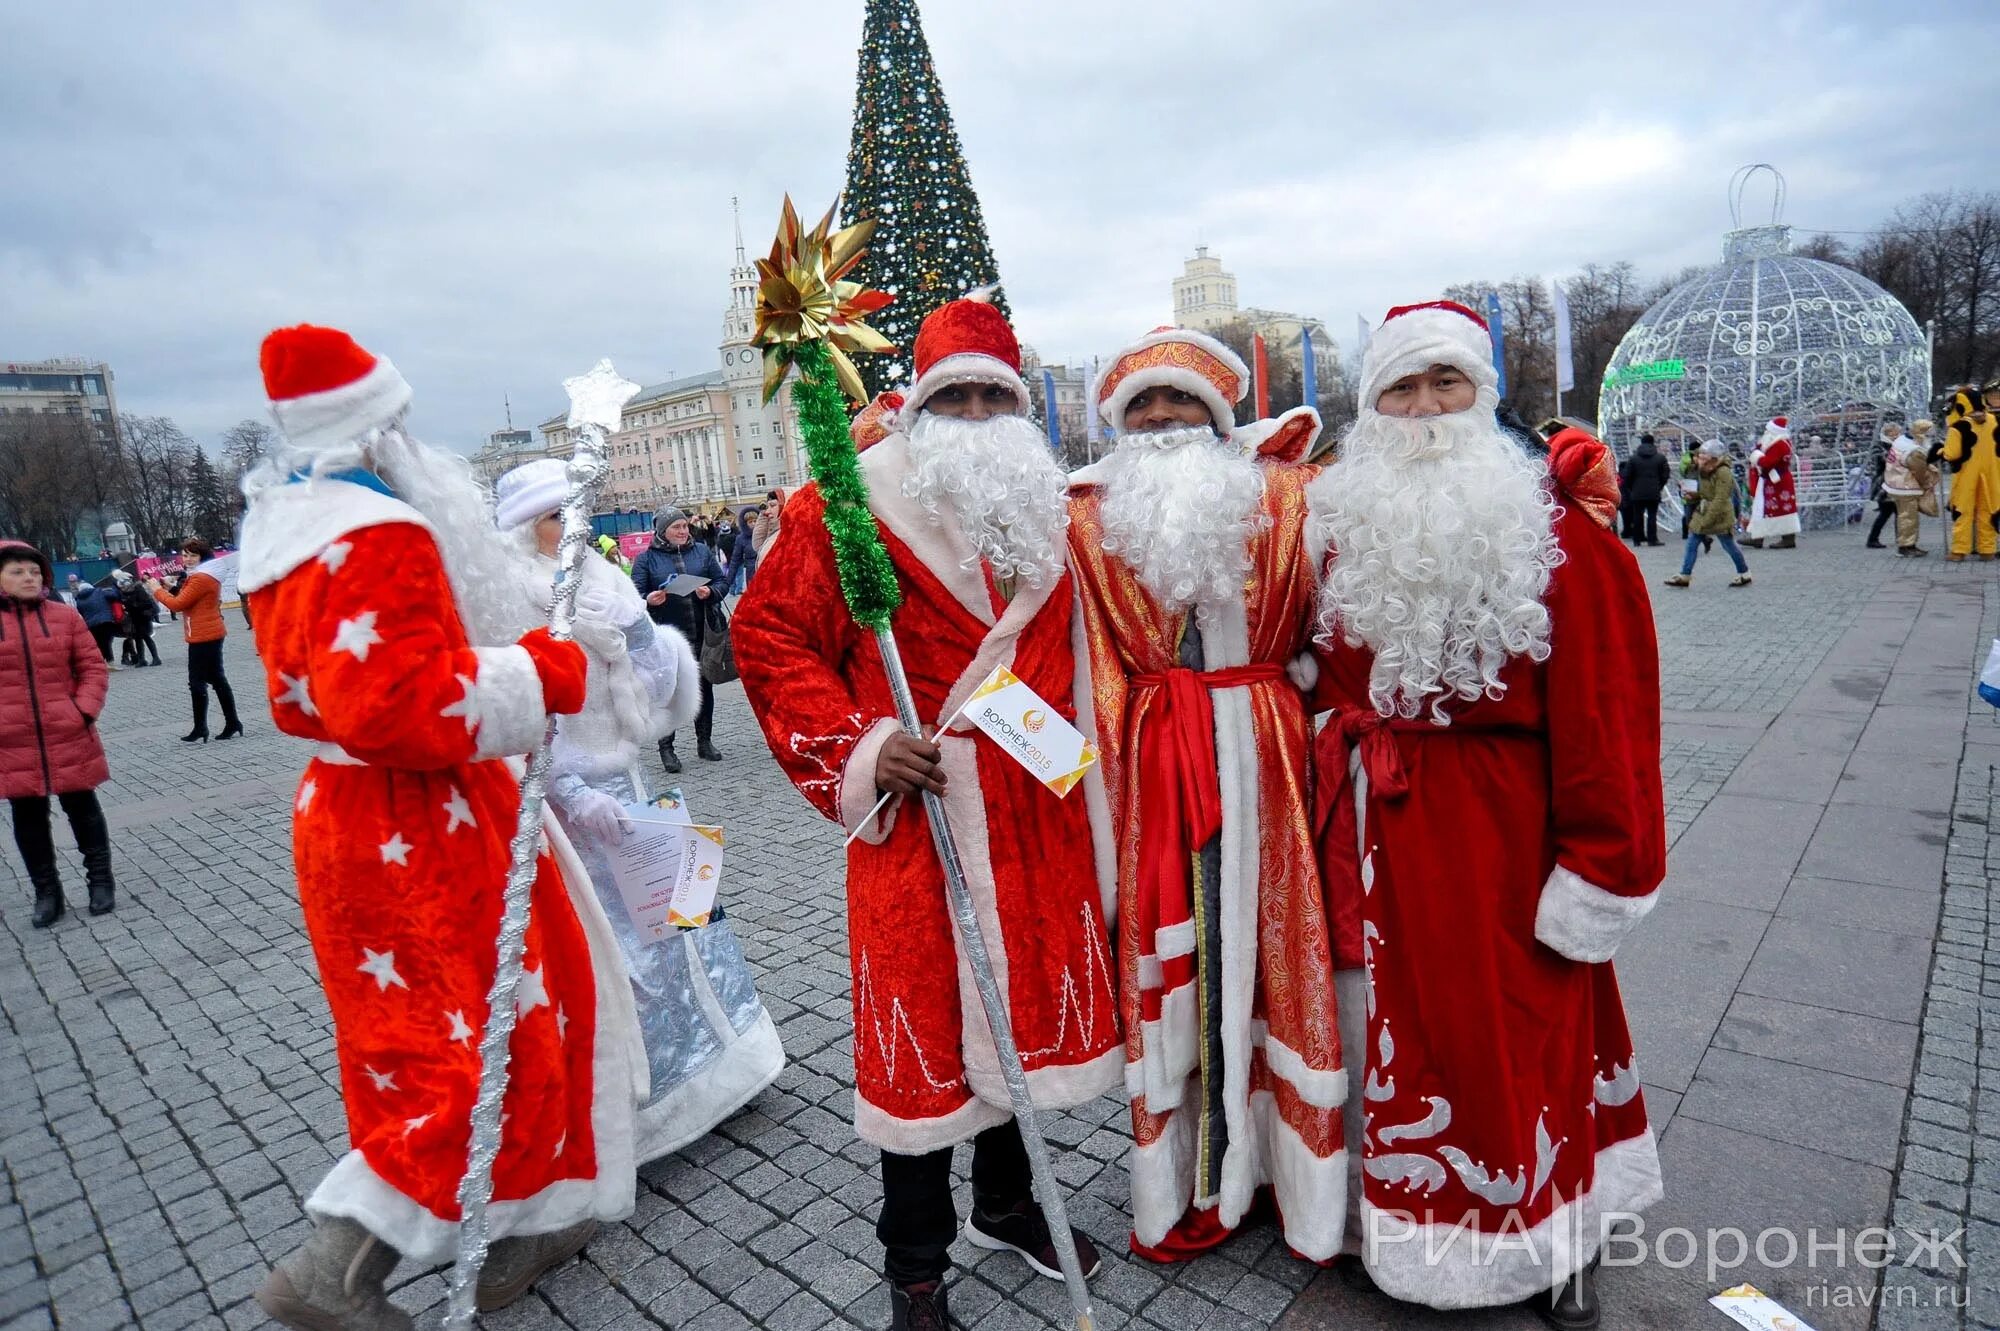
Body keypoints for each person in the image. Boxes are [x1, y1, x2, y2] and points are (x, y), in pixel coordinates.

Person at [239, 324, 644, 1330]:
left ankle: (524, 1219)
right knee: (462, 1050)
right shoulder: (376, 533)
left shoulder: (287, 529)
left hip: (365, 814)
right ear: (373, 430)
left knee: (467, 1033)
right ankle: (335, 1267)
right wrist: (539, 673)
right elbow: (396, 705)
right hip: (421, 818)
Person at [734, 295, 1117, 1331]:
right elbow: (771, 638)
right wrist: (860, 743)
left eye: (999, 394)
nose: (980, 411)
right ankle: (914, 1260)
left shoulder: (1049, 517)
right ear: (921, 405)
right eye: (959, 394)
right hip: (916, 811)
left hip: (1030, 809)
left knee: (1013, 1017)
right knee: (923, 1041)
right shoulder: (845, 509)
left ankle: (1003, 1202)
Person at [1305, 300, 1665, 1326]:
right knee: (1400, 1035)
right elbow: (1328, 677)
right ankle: (1414, 1235)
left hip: (1509, 838)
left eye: (1443, 384)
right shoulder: (1343, 533)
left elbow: (1610, 714)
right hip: (1384, 828)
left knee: (1526, 1033)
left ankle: (1557, 1242)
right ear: (1370, 408)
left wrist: (1600, 865)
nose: (1422, 409)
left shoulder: (1562, 541)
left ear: (1479, 395)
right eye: (1399, 389)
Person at [1066, 327, 1346, 1262]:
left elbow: (1340, 621)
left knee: (1275, 950)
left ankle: (1280, 1174)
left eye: (1179, 400)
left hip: (1267, 751)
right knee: (1174, 958)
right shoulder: (1084, 517)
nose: (1159, 418)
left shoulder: (1285, 496)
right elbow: (1080, 661)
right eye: (1140, 404)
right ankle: (1188, 1178)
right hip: (1153, 760)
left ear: (1217, 415)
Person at [493, 459, 784, 1162]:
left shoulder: (602, 577)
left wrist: (644, 648)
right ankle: (647, 1109)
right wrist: (570, 791)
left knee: (689, 929)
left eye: (576, 513)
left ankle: (732, 1071)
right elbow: (519, 714)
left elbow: (653, 686)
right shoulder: (506, 596)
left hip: (631, 782)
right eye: (554, 516)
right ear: (524, 527)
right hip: (570, 807)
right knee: (620, 957)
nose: (572, 528)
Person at [0, 541, 115, 925]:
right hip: (12, 740)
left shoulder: (64, 617)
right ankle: (47, 893)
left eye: (33, 571)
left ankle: (100, 882)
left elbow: (93, 668)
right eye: (17, 571)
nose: (28, 577)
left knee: (83, 811)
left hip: (67, 731)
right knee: (28, 817)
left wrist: (82, 711)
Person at [630, 507, 727, 771]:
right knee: (669, 693)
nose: (683, 531)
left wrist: (712, 591)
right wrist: (649, 600)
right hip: (667, 638)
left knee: (705, 689)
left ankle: (704, 742)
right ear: (663, 531)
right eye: (677, 528)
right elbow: (634, 597)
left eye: (685, 526)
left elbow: (722, 581)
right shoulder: (646, 560)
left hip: (701, 633)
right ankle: (667, 749)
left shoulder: (701, 552)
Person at [148, 538, 243, 741]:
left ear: (202, 557)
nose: (188, 559)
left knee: (197, 682)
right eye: (185, 555)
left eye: (193, 555)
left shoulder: (200, 578)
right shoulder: (202, 575)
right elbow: (189, 600)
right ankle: (231, 722)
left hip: (203, 634)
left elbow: (177, 605)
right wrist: (169, 588)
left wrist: (156, 589)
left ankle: (202, 728)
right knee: (217, 679)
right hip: (207, 631)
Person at [1665, 440, 1753, 588]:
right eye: (1701, 456)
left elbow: (1720, 497)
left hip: (1719, 514)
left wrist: (1707, 519)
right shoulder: (1704, 469)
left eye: (1704, 457)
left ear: (1714, 458)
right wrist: (1694, 495)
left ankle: (1744, 572)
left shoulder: (1723, 472)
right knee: (1692, 542)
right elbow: (1706, 492)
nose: (1700, 460)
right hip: (1705, 510)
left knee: (1728, 544)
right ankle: (1685, 574)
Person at [1943, 381, 2000, 561]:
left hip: (1967, 474)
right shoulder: (1993, 420)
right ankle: (1987, 550)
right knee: (1988, 511)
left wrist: (1939, 451)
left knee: (1963, 511)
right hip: (1992, 473)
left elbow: (1952, 454)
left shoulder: (1959, 426)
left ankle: (1959, 551)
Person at [1744, 416, 1801, 549]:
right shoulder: (1775, 442)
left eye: (1768, 430)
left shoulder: (1779, 444)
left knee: (1782, 508)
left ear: (1773, 431)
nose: (1765, 432)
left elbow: (1767, 462)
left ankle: (1787, 539)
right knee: (1763, 508)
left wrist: (1756, 456)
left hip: (1778, 482)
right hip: (1772, 481)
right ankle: (1757, 537)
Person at [1881, 426, 1935, 557]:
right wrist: (1928, 481)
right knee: (1908, 518)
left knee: (1905, 516)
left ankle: (1907, 545)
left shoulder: (1900, 443)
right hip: (1907, 487)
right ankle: (1907, 546)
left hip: (1898, 485)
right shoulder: (1912, 450)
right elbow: (1919, 470)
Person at [1618, 433, 1670, 546]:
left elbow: (1626, 475)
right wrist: (1659, 485)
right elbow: (1665, 474)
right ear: (1653, 443)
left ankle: (1637, 539)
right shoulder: (1660, 458)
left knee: (1637, 515)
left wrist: (1632, 488)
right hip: (1653, 491)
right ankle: (1652, 539)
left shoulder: (1633, 459)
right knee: (1652, 515)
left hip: (1637, 492)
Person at [1866, 422, 1906, 548]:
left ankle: (1900, 539)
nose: (1895, 436)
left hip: (1894, 483)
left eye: (1897, 433)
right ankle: (1873, 539)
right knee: (1886, 512)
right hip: (1884, 485)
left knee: (1896, 512)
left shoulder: (1896, 446)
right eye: (1892, 433)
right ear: (1886, 434)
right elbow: (1887, 461)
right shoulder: (1880, 446)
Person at [115, 571, 162, 666]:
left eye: (123, 586)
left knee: (146, 637)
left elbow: (146, 603)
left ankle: (156, 658)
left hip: (144, 616)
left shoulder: (138, 589)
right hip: (134, 617)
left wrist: (133, 605)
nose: (122, 588)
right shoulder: (125, 592)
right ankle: (142, 659)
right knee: (137, 638)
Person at [72, 577, 120, 668]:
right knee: (107, 643)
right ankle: (110, 663)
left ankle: (102, 662)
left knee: (99, 644)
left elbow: (81, 612)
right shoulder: (99, 592)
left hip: (91, 625)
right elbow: (114, 596)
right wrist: (115, 588)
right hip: (105, 621)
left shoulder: (78, 600)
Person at [727, 505, 760, 595]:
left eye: (755, 521)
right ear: (745, 523)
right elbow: (735, 560)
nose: (753, 524)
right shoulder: (741, 538)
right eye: (750, 522)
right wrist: (727, 582)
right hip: (752, 574)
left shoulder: (766, 533)